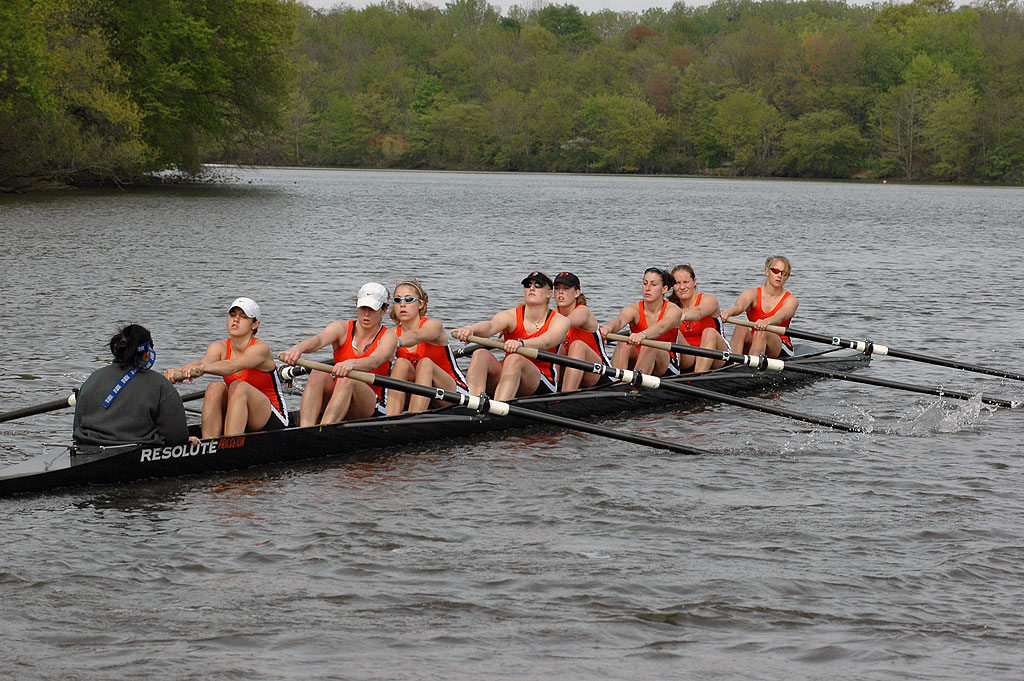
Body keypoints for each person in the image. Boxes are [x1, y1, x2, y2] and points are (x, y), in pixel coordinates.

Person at [165, 297, 289, 438]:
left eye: (243, 317)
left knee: (238, 386)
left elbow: (232, 366)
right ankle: (209, 444)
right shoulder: (219, 347)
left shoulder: (260, 349)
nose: (235, 320)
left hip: (271, 417)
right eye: (232, 315)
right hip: (240, 412)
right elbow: (202, 362)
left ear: (255, 325)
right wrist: (177, 371)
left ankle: (230, 445)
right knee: (214, 387)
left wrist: (202, 369)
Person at [278, 283, 399, 426]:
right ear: (356, 305)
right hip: (339, 397)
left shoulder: (389, 336)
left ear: (384, 309)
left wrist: (351, 363)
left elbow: (375, 360)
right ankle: (306, 429)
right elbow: (318, 340)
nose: (366, 314)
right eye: (363, 308)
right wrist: (297, 349)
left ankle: (325, 429)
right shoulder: (341, 328)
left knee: (348, 378)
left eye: (372, 309)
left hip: (370, 406)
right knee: (318, 372)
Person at [451, 271, 571, 401]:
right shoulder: (511, 316)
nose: (531, 288)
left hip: (540, 382)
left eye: (538, 285)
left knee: (514, 359)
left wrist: (522, 343)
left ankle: (498, 408)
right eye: (528, 285)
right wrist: (471, 329)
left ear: (549, 294)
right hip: (510, 375)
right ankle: (472, 403)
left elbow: (547, 341)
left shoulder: (560, 321)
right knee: (480, 354)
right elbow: (490, 326)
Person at [73, 324, 188, 447]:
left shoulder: (92, 378)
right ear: (148, 352)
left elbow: (77, 427)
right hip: (133, 457)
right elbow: (178, 438)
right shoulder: (161, 384)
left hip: (87, 450)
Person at [386, 278, 468, 415]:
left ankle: (412, 420)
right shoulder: (391, 333)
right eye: (397, 300)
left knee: (425, 364)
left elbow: (417, 336)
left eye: (408, 299)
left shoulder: (433, 326)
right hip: (420, 390)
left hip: (451, 392)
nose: (402, 304)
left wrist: (395, 343)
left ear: (420, 304)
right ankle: (390, 420)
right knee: (401, 364)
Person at [599, 267, 682, 377]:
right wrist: (608, 328)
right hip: (638, 358)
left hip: (665, 364)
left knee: (650, 344)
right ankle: (618, 384)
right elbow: (619, 321)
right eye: (645, 283)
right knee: (623, 343)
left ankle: (633, 386)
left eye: (653, 284)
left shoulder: (673, 310)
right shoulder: (633, 309)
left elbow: (662, 326)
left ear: (664, 289)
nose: (647, 288)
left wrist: (643, 335)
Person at [721, 255, 799, 358]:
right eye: (775, 271)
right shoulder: (751, 294)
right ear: (767, 271)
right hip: (757, 339)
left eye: (784, 273)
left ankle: (752, 370)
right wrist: (729, 312)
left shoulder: (791, 300)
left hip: (780, 346)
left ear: (787, 277)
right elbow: (739, 307)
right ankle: (733, 365)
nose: (779, 275)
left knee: (762, 332)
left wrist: (767, 321)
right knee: (740, 328)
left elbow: (781, 316)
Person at [551, 271, 611, 392]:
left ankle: (566, 397)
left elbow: (565, 323)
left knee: (577, 345)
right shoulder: (554, 315)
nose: (560, 292)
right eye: (557, 289)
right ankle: (552, 388)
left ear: (577, 292)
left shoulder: (583, 312)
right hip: (572, 371)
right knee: (557, 347)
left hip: (600, 375)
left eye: (566, 288)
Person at [668, 264, 729, 373]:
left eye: (686, 282)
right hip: (688, 357)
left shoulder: (709, 300)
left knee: (709, 332)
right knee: (674, 333)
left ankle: (699, 375)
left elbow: (699, 312)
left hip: (717, 355)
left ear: (694, 282)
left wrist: (681, 317)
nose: (682, 287)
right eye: (677, 283)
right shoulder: (669, 304)